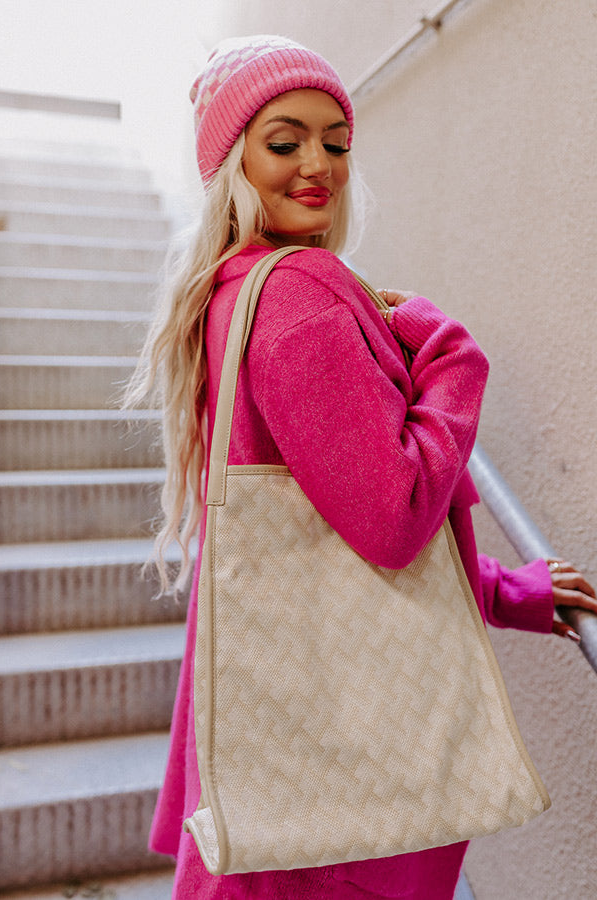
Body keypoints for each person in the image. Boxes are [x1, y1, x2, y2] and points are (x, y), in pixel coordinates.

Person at [126, 35, 597, 900]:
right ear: (232, 159)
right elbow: (390, 517)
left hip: (287, 750)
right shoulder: (300, 298)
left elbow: (326, 523)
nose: (319, 165)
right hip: (341, 775)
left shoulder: (233, 293)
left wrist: (501, 590)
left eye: (336, 141)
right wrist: (453, 357)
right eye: (285, 140)